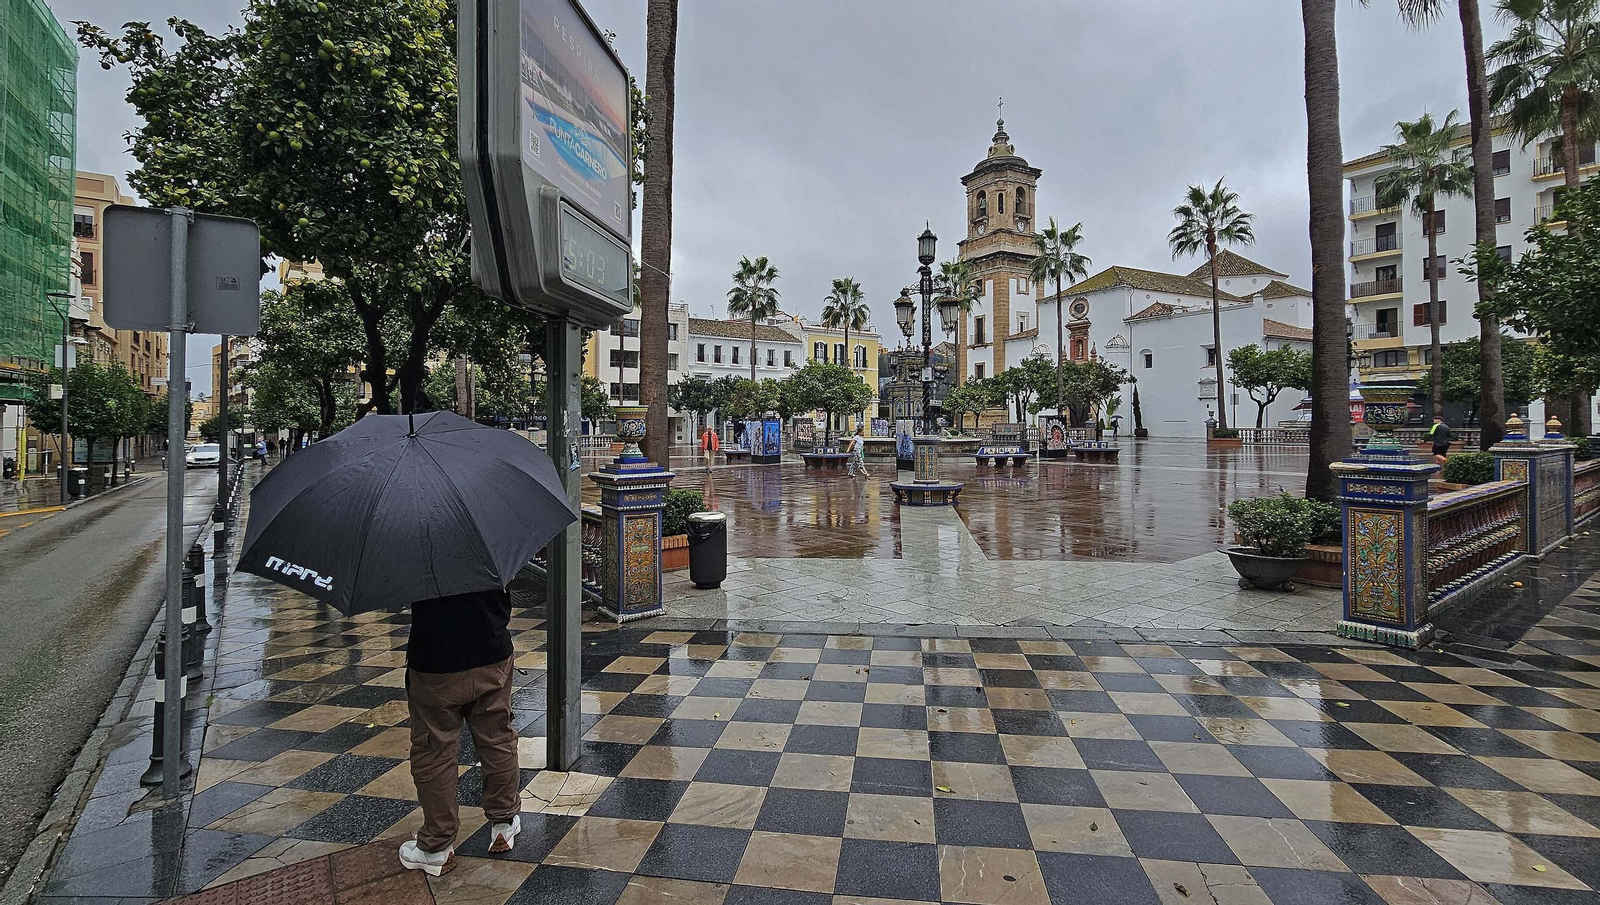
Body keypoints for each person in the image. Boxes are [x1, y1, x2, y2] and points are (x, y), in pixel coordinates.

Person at [398, 586, 522, 876]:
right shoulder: (493, 540)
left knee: (433, 749)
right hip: (491, 650)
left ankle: (437, 845)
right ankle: (504, 822)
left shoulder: (417, 543)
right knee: (497, 738)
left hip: (435, 660)